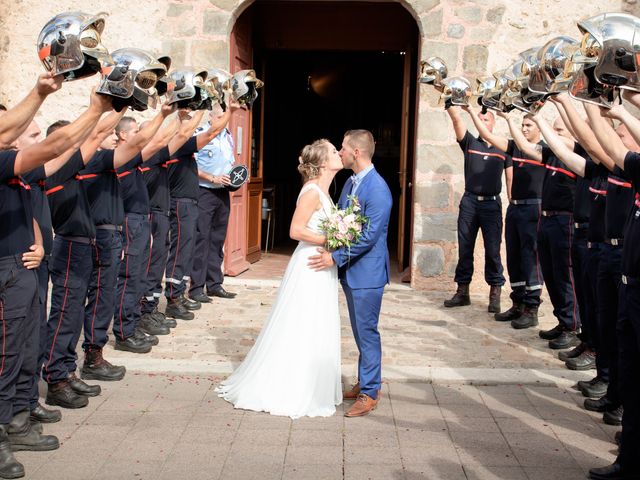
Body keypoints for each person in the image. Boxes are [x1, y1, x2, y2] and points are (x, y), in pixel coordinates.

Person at [216, 139, 343, 418]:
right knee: (301, 322)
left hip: (321, 264)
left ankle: (310, 382)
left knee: (315, 323)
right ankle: (290, 385)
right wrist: (333, 238)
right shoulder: (311, 192)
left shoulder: (324, 191)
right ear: (323, 163)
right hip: (309, 264)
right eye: (335, 151)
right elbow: (296, 231)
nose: (339, 154)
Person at [309, 129, 393, 417]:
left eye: (343, 148)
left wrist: (335, 256)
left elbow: (369, 236)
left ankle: (370, 393)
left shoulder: (378, 189)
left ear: (356, 152)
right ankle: (364, 382)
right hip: (351, 272)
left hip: (367, 275)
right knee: (359, 331)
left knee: (367, 332)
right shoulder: (349, 184)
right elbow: (340, 220)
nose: (341, 152)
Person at [585, 96, 640, 480]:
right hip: (631, 283)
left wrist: (622, 109)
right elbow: (604, 143)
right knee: (633, 376)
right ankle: (629, 459)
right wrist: (591, 102)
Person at [464, 107, 545, 328]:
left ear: (539, 128)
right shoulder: (514, 148)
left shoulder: (543, 151)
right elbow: (488, 135)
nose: (524, 129)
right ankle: (518, 303)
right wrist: (470, 111)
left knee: (531, 259)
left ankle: (532, 307)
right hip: (515, 209)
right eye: (523, 125)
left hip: (533, 209)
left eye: (529, 125)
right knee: (514, 258)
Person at [443, 107, 510, 313]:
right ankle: (462, 292)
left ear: (493, 123)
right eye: (479, 119)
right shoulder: (470, 142)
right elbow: (457, 122)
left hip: (492, 204)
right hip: (470, 203)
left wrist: (514, 204)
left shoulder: (504, 148)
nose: (482, 122)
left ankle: (495, 292)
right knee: (465, 248)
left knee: (493, 250)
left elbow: (510, 177)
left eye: (485, 119)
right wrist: (450, 105)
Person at [188, 109, 236, 303]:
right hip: (204, 191)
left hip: (223, 192)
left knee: (217, 239)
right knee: (201, 239)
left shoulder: (228, 136)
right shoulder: (199, 134)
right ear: (210, 116)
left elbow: (229, 162)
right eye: (219, 117)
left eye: (225, 117)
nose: (222, 120)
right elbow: (191, 165)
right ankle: (196, 288)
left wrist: (237, 174)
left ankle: (215, 284)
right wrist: (212, 177)